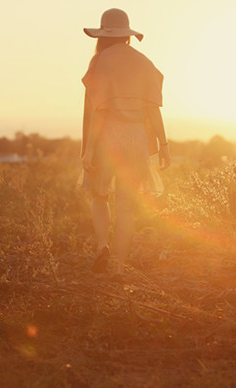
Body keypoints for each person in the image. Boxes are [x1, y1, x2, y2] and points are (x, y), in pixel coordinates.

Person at [79, 8, 171, 279]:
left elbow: (99, 112)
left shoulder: (99, 62)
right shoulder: (144, 62)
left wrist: (89, 150)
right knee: (127, 206)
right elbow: (154, 109)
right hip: (136, 139)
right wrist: (164, 146)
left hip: (108, 138)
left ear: (104, 34)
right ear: (127, 34)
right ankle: (119, 266)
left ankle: (101, 248)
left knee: (99, 195)